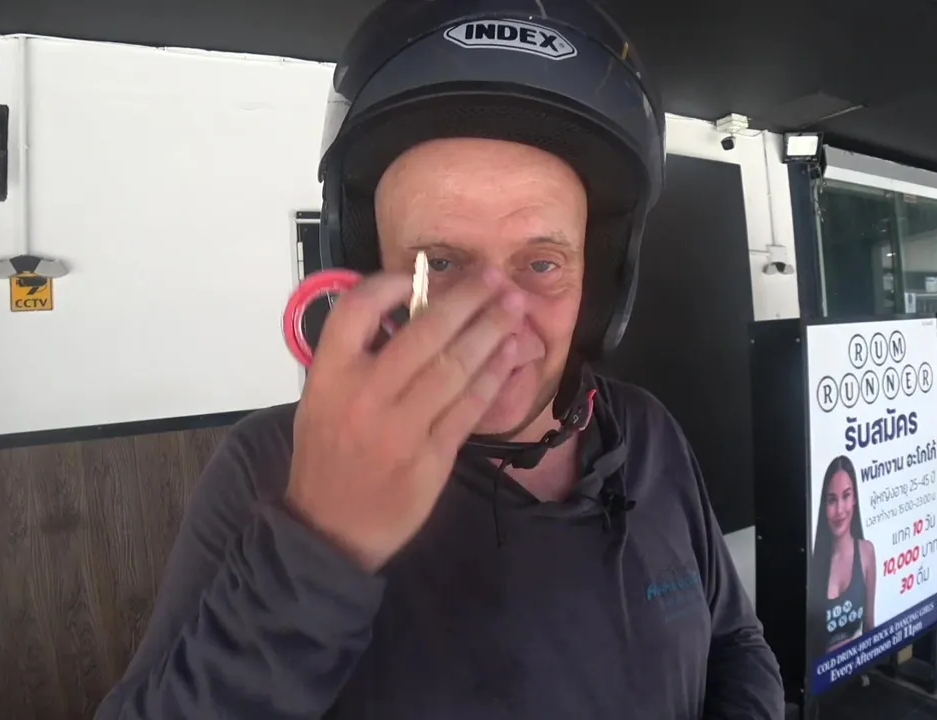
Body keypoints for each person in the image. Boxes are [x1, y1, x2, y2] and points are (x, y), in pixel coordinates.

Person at [96, 0, 784, 717]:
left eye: (542, 264)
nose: (497, 324)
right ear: (367, 275)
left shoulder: (648, 433)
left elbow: (738, 642)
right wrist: (318, 547)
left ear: (600, 283)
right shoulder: (272, 463)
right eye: (442, 264)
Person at [809, 456, 877, 655]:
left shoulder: (867, 553)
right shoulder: (813, 566)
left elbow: (869, 626)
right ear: (824, 506)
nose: (840, 510)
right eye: (832, 500)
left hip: (855, 667)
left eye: (846, 496)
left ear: (855, 499)